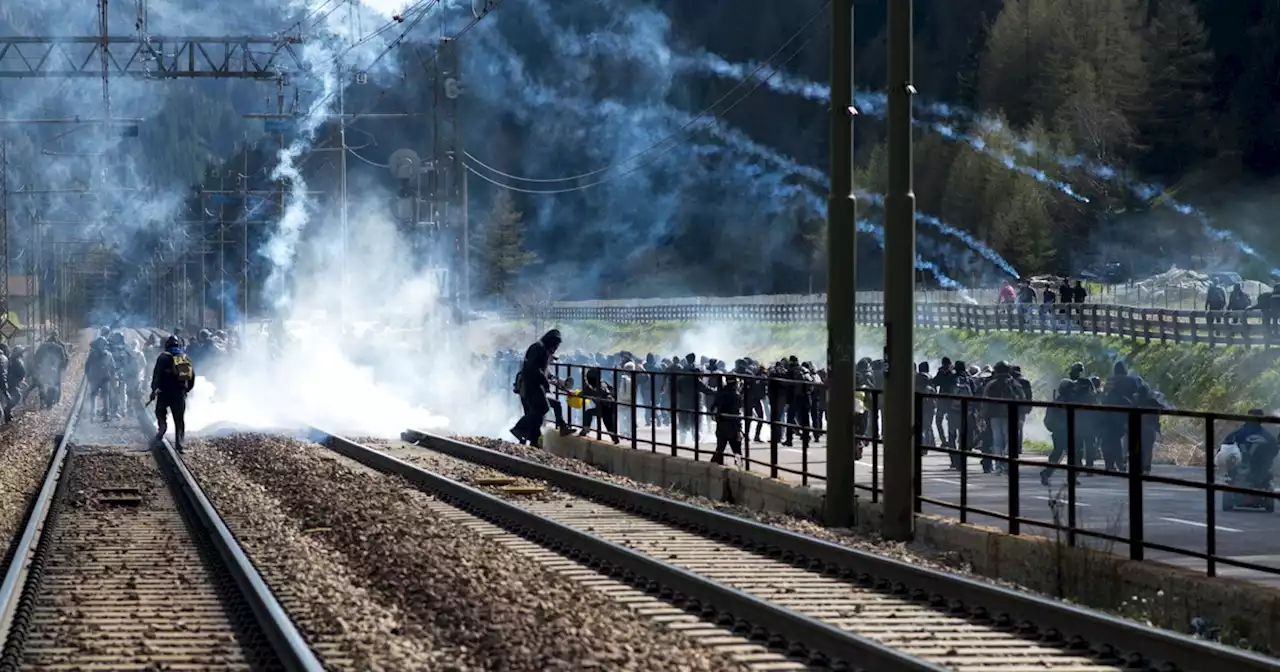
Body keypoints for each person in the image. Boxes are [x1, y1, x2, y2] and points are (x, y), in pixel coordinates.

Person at [511, 329, 570, 446]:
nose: (556, 348)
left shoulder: (542, 349)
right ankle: (519, 428)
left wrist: (554, 381)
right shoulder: (539, 348)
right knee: (542, 408)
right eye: (556, 344)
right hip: (531, 384)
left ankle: (532, 440)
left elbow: (543, 370)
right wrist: (545, 380)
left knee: (539, 413)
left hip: (534, 384)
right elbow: (533, 368)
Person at [150, 335, 195, 451]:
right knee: (179, 419)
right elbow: (191, 377)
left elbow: (156, 375)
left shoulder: (163, 357)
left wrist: (153, 389)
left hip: (164, 392)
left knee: (160, 412)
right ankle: (179, 443)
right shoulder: (184, 357)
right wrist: (186, 390)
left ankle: (162, 426)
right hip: (179, 393)